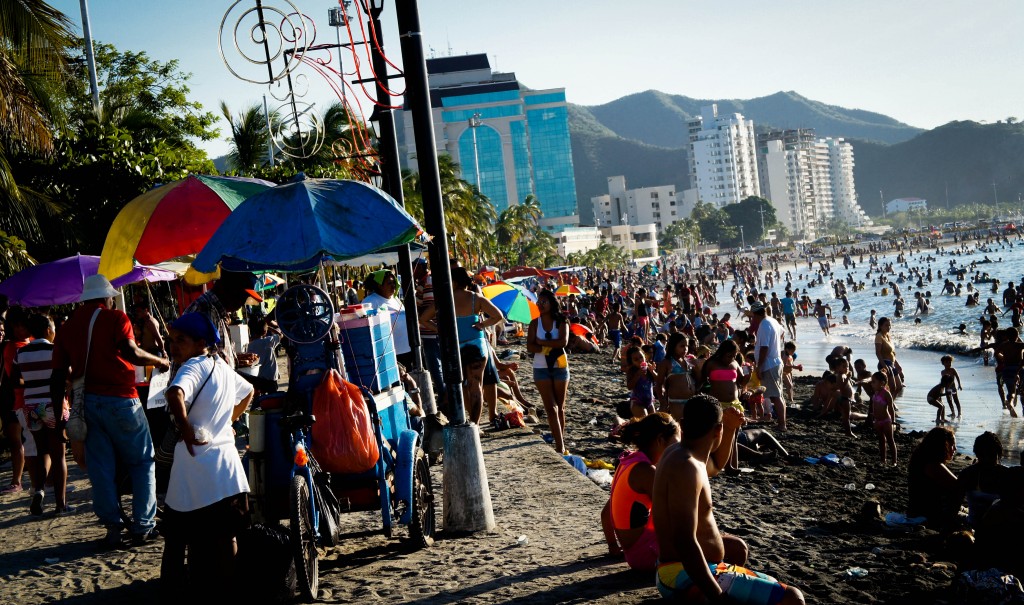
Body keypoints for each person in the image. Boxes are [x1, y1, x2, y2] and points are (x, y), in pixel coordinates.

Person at [50, 275, 170, 547]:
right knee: (142, 462)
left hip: (88, 403)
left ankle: (113, 529)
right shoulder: (116, 318)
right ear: (106, 298)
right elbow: (131, 352)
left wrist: (59, 418)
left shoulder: (67, 328)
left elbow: (57, 377)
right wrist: (160, 360)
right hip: (121, 400)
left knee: (101, 468)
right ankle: (143, 526)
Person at [652, 395, 804, 604]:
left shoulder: (681, 454)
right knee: (792, 597)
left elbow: (715, 465)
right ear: (717, 431)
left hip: (677, 568)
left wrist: (730, 428)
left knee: (738, 548)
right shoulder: (687, 467)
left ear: (683, 424)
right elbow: (684, 540)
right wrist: (717, 596)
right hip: (678, 574)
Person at [160, 313, 254, 599]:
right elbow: (248, 390)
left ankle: (173, 594)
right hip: (226, 468)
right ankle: (229, 592)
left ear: (201, 343)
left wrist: (186, 429)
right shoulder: (222, 367)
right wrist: (228, 422)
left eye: (181, 341)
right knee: (227, 538)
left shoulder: (192, 367)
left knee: (176, 540)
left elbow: (175, 394)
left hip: (194, 466)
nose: (173, 347)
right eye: (171, 340)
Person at [420, 267, 505, 423]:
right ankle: (475, 424)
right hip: (476, 344)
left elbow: (423, 319)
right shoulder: (476, 298)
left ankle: (466, 420)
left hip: (456, 347)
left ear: (454, 281)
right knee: (476, 386)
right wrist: (483, 324)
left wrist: (440, 330)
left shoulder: (445, 300)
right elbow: (498, 316)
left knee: (462, 385)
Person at [601, 413, 680, 571]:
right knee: (732, 547)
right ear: (660, 440)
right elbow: (674, 515)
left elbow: (605, 513)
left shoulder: (629, 462)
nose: (678, 450)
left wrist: (613, 546)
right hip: (646, 555)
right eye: (676, 444)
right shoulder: (646, 472)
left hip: (635, 552)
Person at [11, 314, 68, 516]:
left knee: (39, 451)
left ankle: (39, 490)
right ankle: (61, 504)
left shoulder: (21, 353)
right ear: (47, 330)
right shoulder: (55, 350)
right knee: (58, 455)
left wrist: (33, 383)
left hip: (31, 406)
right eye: (53, 328)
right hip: (53, 405)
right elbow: (67, 374)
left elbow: (15, 381)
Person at [182, 270, 263, 370]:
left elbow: (218, 357)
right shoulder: (206, 310)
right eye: (242, 297)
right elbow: (207, 368)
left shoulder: (217, 313)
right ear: (230, 288)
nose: (242, 304)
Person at [527, 289, 571, 453]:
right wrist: (547, 345)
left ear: (552, 303)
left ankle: (560, 438)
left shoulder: (561, 321)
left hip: (560, 366)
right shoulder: (534, 323)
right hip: (541, 368)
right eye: (538, 301)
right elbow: (530, 346)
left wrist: (541, 343)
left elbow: (563, 342)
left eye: (543, 301)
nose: (540, 304)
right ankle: (560, 447)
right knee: (551, 408)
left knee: (560, 408)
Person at [1, 306, 33, 494]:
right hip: (16, 399)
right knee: (18, 441)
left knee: (29, 442)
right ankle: (18, 481)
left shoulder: (27, 343)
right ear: (15, 327)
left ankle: (21, 481)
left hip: (23, 400)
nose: (27, 329)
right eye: (23, 325)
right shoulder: (13, 347)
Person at [907, 426, 960, 529]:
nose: (955, 449)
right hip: (929, 514)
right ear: (943, 445)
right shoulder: (933, 465)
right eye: (952, 445)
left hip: (919, 510)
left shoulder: (922, 459)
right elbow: (958, 485)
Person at [956, 431, 1009, 528]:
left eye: (992, 455)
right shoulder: (968, 474)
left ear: (999, 454)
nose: (987, 459)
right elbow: (954, 505)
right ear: (977, 454)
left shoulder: (1007, 475)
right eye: (983, 456)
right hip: (973, 525)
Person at [362, 269, 412, 367]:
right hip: (389, 353)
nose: (393, 285)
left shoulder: (396, 299)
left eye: (394, 282)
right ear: (379, 285)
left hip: (406, 350)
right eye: (389, 283)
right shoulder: (370, 301)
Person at [752, 303, 788, 432]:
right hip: (776, 362)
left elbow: (764, 348)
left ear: (757, 314)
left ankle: (782, 424)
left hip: (769, 364)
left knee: (775, 396)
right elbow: (782, 333)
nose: (752, 319)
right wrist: (776, 344)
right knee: (778, 394)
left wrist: (759, 366)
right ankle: (782, 422)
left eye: (753, 316)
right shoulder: (772, 320)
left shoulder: (764, 325)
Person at [658, 332, 696, 422]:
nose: (685, 349)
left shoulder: (687, 360)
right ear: (673, 346)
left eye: (686, 346)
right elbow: (658, 383)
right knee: (680, 426)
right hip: (676, 402)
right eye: (682, 346)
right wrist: (662, 401)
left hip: (691, 401)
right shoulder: (666, 362)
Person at [869, 372, 897, 466]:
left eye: (874, 382)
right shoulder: (875, 393)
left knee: (890, 440)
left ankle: (894, 461)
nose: (871, 384)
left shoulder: (886, 393)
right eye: (871, 382)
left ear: (882, 383)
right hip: (878, 421)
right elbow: (874, 406)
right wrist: (873, 417)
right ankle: (883, 460)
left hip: (886, 421)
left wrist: (893, 421)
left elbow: (891, 408)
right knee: (881, 441)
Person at [245, 317, 281, 384]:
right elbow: (280, 335)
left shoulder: (250, 345)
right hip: (271, 376)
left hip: (258, 377)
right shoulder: (269, 340)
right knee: (273, 393)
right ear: (265, 331)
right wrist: (270, 328)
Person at [625, 345, 658, 418]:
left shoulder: (649, 367)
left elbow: (658, 380)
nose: (640, 360)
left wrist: (653, 371)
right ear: (632, 362)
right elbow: (629, 387)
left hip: (649, 401)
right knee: (644, 418)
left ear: (645, 357)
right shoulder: (632, 371)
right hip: (637, 401)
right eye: (636, 359)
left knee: (653, 420)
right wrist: (637, 375)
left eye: (641, 357)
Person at [874, 317, 903, 391]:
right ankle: (885, 401)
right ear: (880, 326)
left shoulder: (888, 336)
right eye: (886, 325)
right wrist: (884, 366)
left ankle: (890, 401)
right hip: (885, 363)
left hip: (892, 364)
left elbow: (892, 353)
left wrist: (897, 364)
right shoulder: (879, 336)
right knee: (892, 387)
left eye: (889, 325)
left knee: (899, 387)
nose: (888, 327)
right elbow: (878, 353)